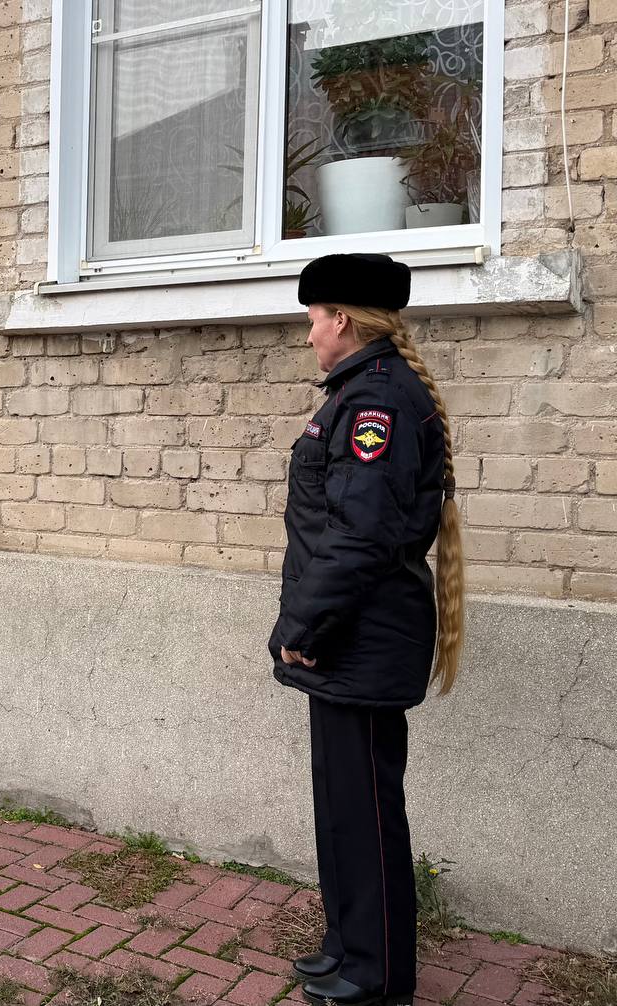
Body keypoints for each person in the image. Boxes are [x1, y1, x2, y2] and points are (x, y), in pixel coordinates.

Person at [268, 254, 465, 1006]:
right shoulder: (360, 393)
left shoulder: (376, 403)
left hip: (359, 634)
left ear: (342, 319)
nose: (310, 333)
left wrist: (302, 624)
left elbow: (359, 537)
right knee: (340, 804)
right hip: (347, 636)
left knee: (370, 814)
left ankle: (380, 979)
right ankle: (348, 947)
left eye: (314, 318)